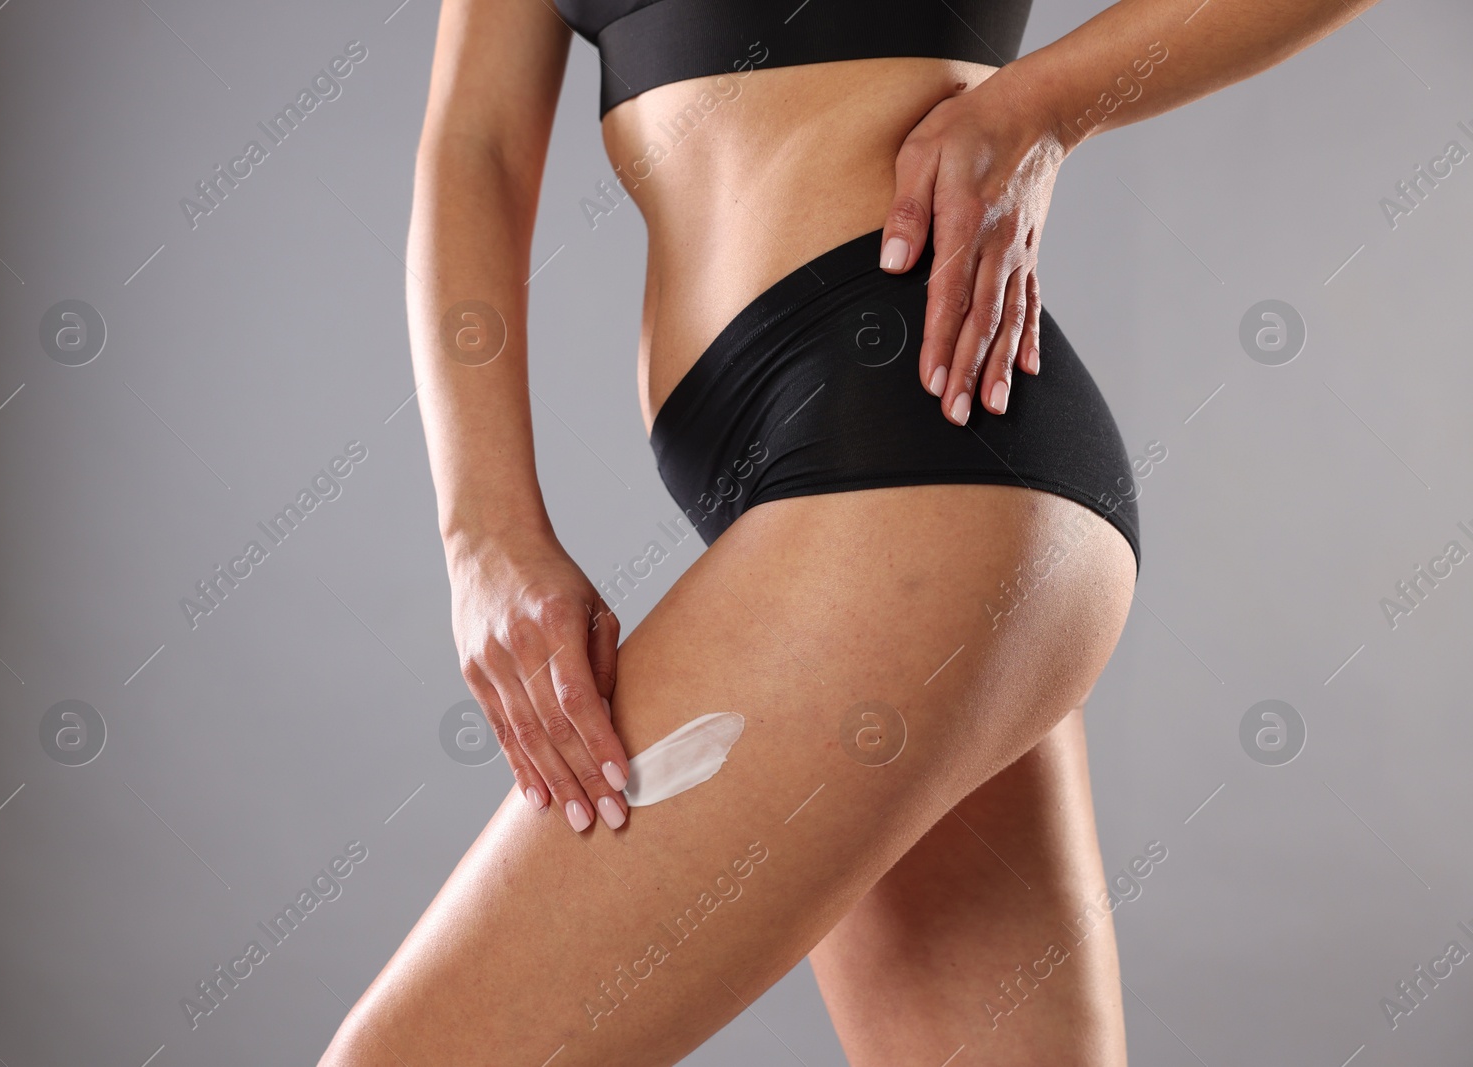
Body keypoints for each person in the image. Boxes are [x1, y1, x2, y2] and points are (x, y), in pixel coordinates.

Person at [320, 0, 1374, 1062]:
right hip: (865, 500)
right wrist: (484, 534)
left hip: (914, 451)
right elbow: (475, 144)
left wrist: (1047, 104)